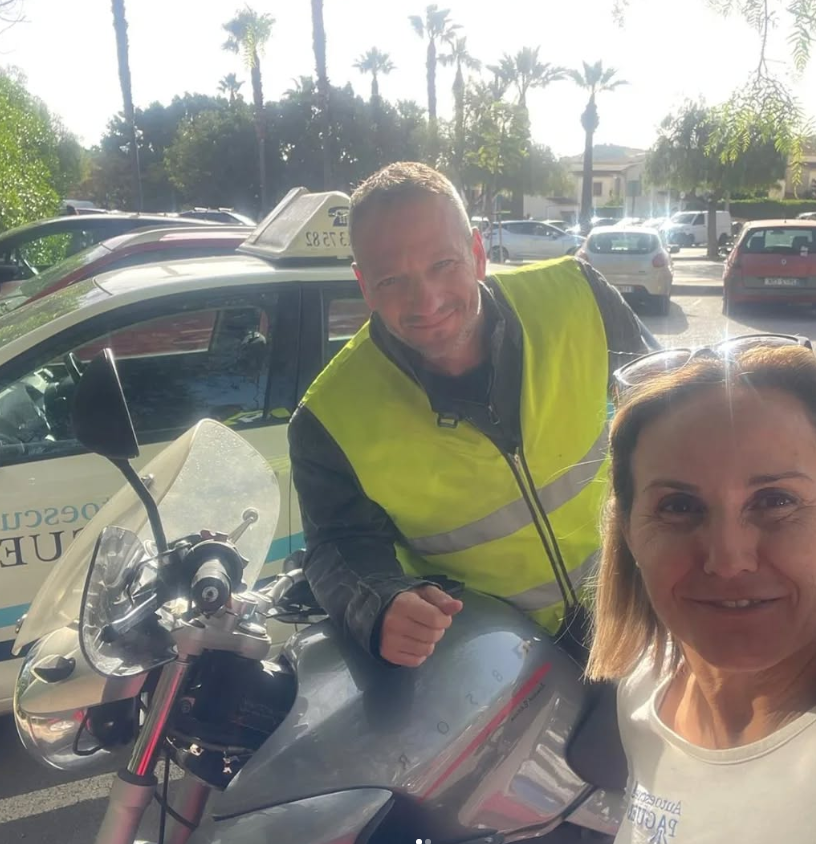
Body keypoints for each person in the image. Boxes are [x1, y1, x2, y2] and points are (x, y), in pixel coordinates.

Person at [288, 161, 652, 667]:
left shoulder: (577, 296)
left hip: (639, 609)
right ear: (364, 285)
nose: (427, 300)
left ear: (477, 253)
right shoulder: (327, 419)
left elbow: (672, 413)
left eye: (443, 264)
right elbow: (338, 545)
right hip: (499, 667)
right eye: (392, 280)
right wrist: (380, 606)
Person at [587, 334, 816, 843]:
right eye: (679, 507)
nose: (728, 560)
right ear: (628, 530)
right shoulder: (645, 683)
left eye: (776, 500)